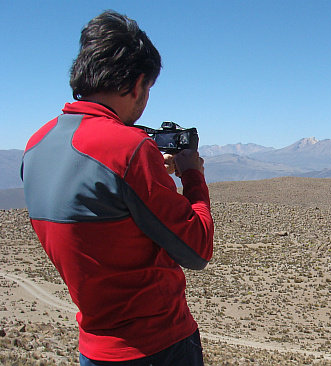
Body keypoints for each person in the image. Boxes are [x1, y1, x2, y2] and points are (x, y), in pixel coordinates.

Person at [20, 10, 214, 366]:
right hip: (158, 347)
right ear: (138, 83)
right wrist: (192, 177)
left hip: (94, 348)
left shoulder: (35, 146)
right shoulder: (128, 149)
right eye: (149, 89)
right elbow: (197, 249)